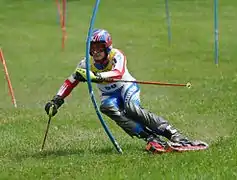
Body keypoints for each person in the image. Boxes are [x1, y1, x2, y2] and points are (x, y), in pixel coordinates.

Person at [44, 29, 208, 153]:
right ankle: (150, 138)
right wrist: (57, 100)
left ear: (107, 47)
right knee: (106, 108)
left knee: (131, 109)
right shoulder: (85, 64)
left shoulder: (117, 55)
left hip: (126, 87)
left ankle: (173, 134)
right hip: (109, 94)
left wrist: (95, 76)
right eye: (92, 47)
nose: (96, 51)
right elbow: (70, 81)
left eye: (100, 47)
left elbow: (118, 73)